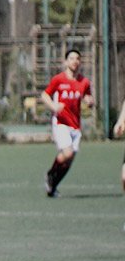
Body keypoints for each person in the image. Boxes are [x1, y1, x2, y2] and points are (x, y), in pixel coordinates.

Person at [39, 49, 94, 198]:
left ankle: (52, 188)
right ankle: (50, 174)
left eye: (77, 59)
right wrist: (53, 106)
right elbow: (44, 95)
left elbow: (87, 97)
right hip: (61, 122)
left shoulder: (84, 82)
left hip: (75, 125)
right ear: (65, 62)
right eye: (71, 58)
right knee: (67, 153)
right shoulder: (58, 79)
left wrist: (89, 102)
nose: (75, 61)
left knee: (68, 162)